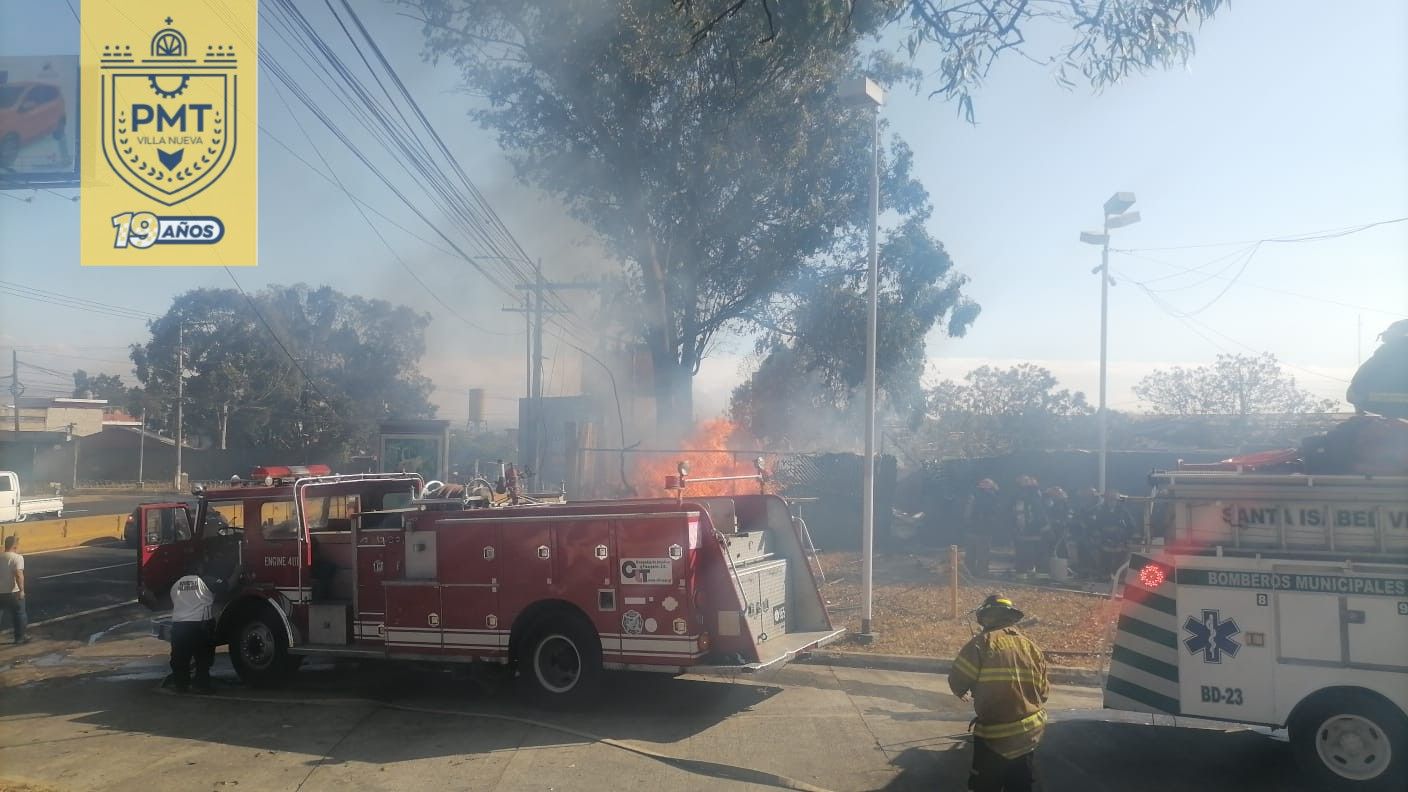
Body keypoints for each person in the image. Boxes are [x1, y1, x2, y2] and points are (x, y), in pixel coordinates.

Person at [950, 594, 1050, 792]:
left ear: (987, 617)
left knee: (985, 786)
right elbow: (1044, 692)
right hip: (1028, 734)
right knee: (1020, 785)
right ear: (1011, 618)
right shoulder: (1032, 647)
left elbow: (958, 680)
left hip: (994, 737)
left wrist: (964, 690)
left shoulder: (980, 644)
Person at [168, 562, 218, 693]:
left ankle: (181, 684)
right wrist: (237, 571)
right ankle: (201, 685)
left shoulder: (176, 584)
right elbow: (226, 586)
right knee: (203, 659)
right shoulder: (205, 580)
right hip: (200, 625)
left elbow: (173, 601)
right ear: (199, 569)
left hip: (179, 626)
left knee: (180, 658)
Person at [964, 479, 1002, 577]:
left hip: (984, 529)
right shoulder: (975, 495)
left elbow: (995, 513)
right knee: (972, 553)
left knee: (982, 553)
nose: (983, 484)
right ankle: (970, 572)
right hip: (975, 528)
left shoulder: (992, 496)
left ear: (991, 485)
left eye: (986, 483)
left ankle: (981, 572)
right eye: (982, 482)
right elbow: (968, 511)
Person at [1011, 477, 1047, 578]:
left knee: (1037, 550)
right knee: (1024, 550)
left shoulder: (1036, 494)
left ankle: (1038, 572)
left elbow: (1040, 511)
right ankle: (1023, 572)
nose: (1028, 481)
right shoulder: (1021, 494)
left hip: (1033, 528)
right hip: (1024, 527)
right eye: (1025, 480)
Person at [0, 534, 29, 644]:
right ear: (15, 546)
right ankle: (20, 638)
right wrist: (22, 590)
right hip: (13, 592)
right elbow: (18, 574)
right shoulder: (17, 558)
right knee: (19, 614)